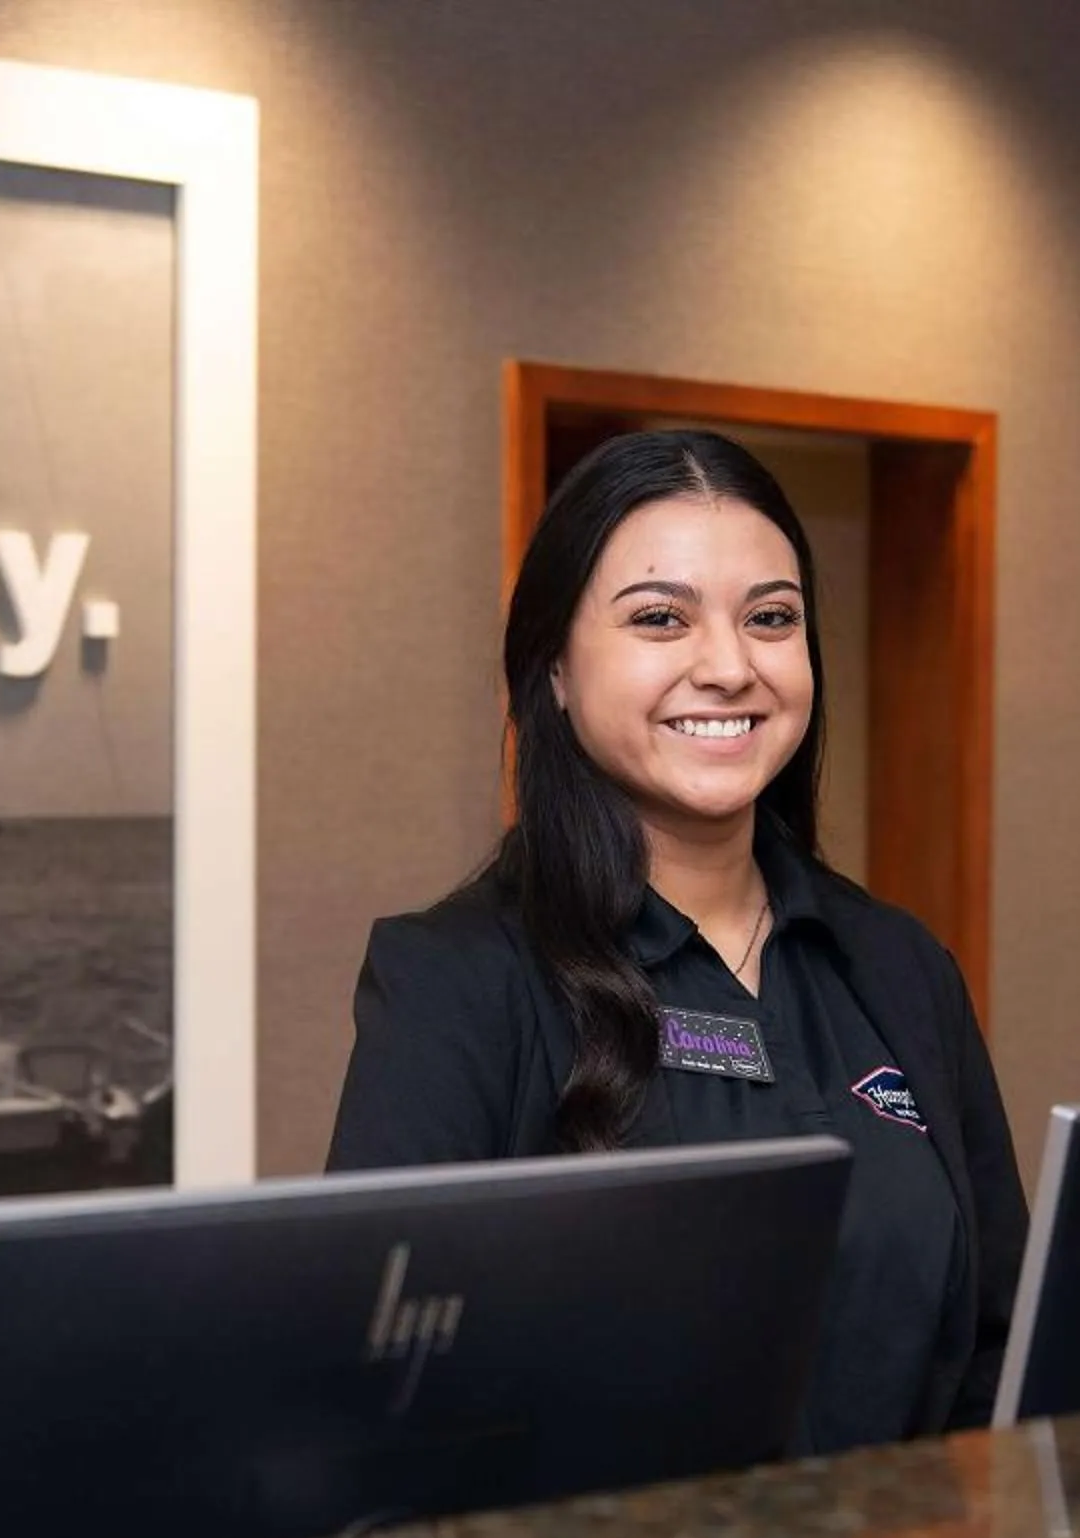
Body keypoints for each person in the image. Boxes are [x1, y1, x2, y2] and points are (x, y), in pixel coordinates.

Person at [326, 428, 1025, 1449]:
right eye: (661, 618)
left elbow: (999, 1359)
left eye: (771, 619)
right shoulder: (456, 982)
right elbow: (378, 1394)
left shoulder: (900, 967)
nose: (730, 666)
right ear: (555, 668)